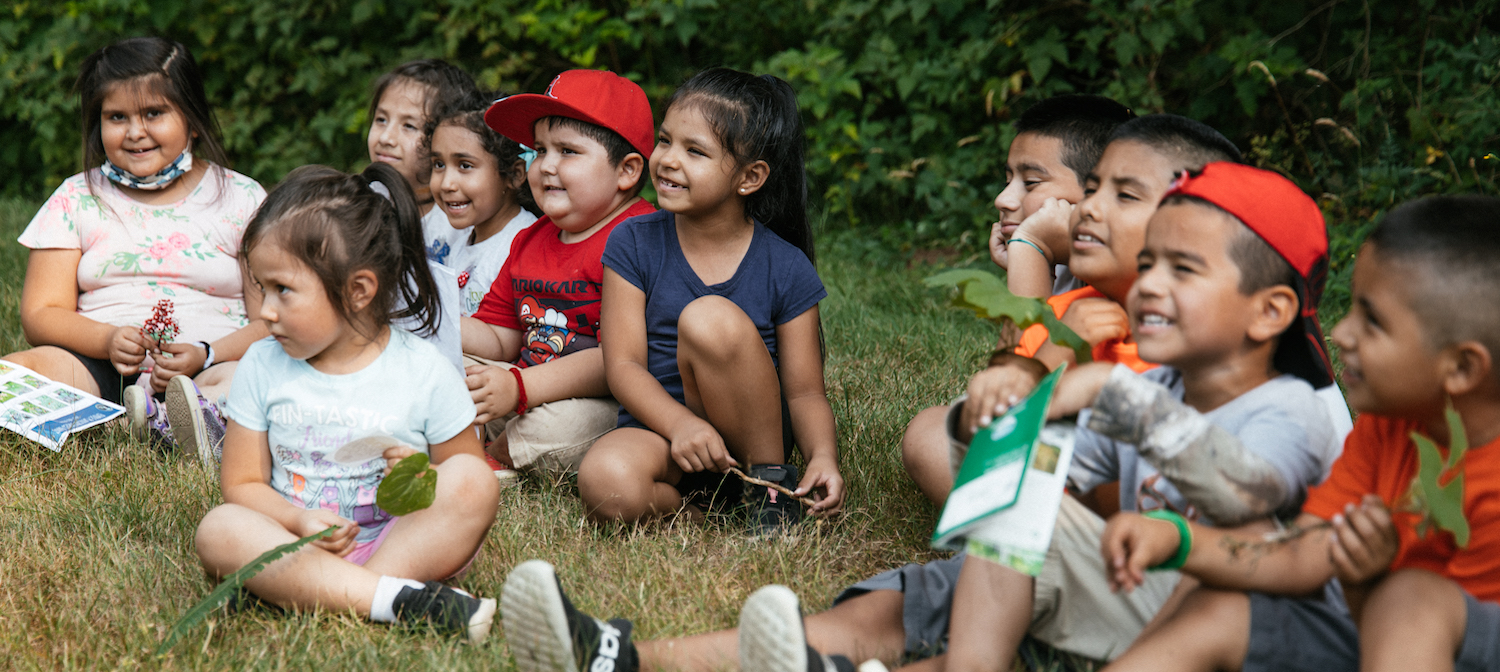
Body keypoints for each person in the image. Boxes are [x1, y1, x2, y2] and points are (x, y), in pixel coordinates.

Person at [1098, 195, 1500, 672]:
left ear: (1461, 367)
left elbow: (1424, 615)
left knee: (1410, 595)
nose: (1342, 333)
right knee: (1226, 606)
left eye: (1373, 321)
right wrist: (1176, 538)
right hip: (1380, 638)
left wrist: (1375, 587)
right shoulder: (1387, 427)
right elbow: (1303, 554)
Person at [191, 163, 501, 642]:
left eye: (283, 290)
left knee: (475, 481)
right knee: (220, 528)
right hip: (296, 544)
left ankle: (346, 590)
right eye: (261, 288)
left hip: (401, 543)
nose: (266, 311)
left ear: (358, 291)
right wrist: (297, 520)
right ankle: (391, 600)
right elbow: (242, 483)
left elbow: (457, 473)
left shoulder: (422, 370)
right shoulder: (261, 364)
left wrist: (418, 471)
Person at [577, 67, 842, 530]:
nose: (668, 160)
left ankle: (767, 494)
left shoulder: (786, 266)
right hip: (661, 433)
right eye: (665, 141)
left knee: (708, 318)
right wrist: (679, 426)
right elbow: (623, 366)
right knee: (606, 481)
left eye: (695, 151)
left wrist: (824, 456)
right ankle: (693, 513)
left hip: (749, 446)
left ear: (749, 177)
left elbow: (804, 391)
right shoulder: (632, 243)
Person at [2, 36, 267, 464]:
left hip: (209, 363)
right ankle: (111, 418)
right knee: (19, 372)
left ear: (194, 120)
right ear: (97, 124)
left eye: (154, 113)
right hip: (98, 366)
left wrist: (207, 353)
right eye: (117, 117)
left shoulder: (242, 198)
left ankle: (189, 420)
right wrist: (106, 340)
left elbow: (272, 319)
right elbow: (40, 313)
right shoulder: (76, 198)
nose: (135, 131)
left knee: (244, 381)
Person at [902, 94, 1134, 505]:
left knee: (934, 436)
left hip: (1104, 468)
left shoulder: (1125, 281)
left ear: (1096, 193)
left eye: (1030, 183)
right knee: (928, 432)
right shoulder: (1062, 269)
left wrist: (1029, 247)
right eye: (1008, 178)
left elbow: (1015, 404)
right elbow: (1005, 383)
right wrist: (1030, 266)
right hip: (1057, 454)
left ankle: (1016, 540)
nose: (1004, 199)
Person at [461, 69, 656, 480]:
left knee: (560, 427)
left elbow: (621, 362)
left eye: (567, 151)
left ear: (627, 171)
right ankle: (454, 434)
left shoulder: (643, 240)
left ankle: (492, 454)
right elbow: (501, 336)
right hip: (521, 387)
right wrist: (435, 321)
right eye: (539, 150)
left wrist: (521, 388)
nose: (546, 166)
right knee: (438, 363)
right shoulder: (531, 238)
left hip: (606, 403)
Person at [427, 91, 538, 316]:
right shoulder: (458, 239)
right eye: (438, 164)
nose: (446, 183)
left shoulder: (524, 247)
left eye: (465, 166)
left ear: (515, 174)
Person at [364, 59, 479, 266]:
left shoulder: (459, 220)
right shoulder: (361, 202)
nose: (386, 138)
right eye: (381, 119)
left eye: (408, 125)